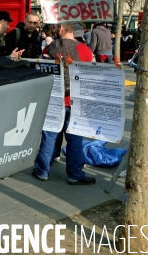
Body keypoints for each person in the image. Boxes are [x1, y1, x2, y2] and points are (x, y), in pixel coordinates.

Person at [33, 22, 96, 185]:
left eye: (55, 27)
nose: (53, 30)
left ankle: (42, 170)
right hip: (75, 100)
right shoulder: (85, 50)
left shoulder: (49, 48)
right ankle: (75, 174)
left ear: (61, 28)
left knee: (49, 135)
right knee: (75, 138)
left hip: (53, 99)